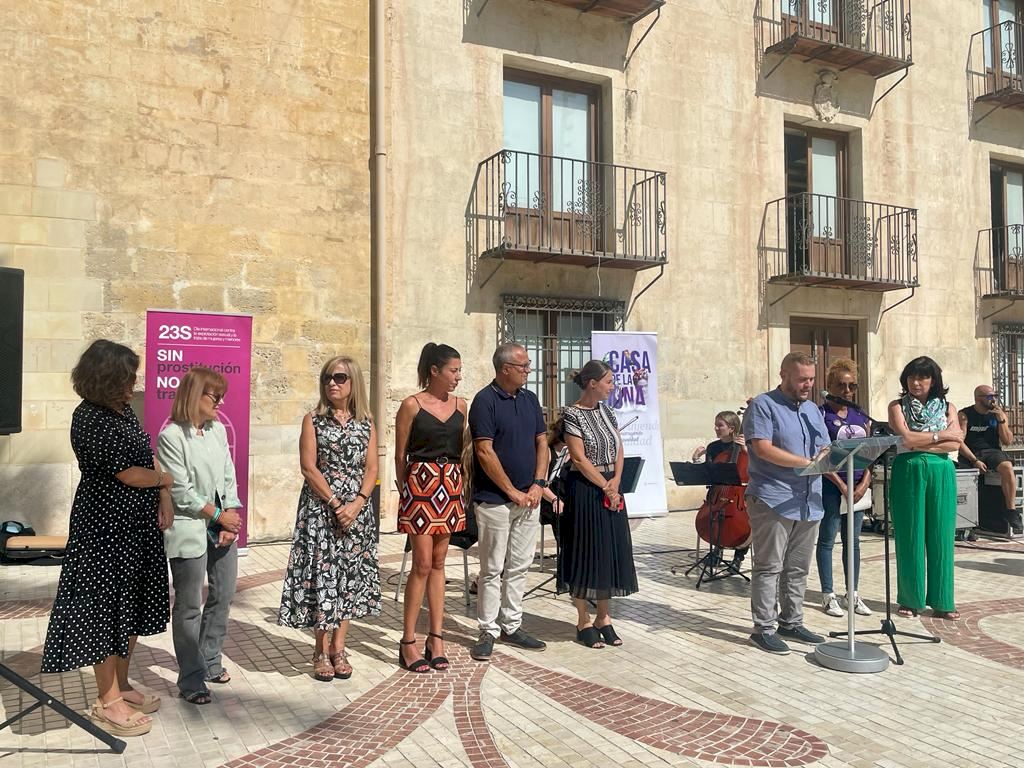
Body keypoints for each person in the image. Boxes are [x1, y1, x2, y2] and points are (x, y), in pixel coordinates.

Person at [41, 340, 173, 737]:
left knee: (130, 605)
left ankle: (123, 684)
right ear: (108, 377)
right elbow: (128, 473)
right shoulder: (90, 417)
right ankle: (107, 699)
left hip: (136, 527)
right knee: (106, 610)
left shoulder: (121, 411)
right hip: (105, 530)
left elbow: (146, 455)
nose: (134, 384)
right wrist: (166, 481)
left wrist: (163, 493)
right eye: (128, 377)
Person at [279, 355, 381, 681]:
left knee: (348, 577)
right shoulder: (313, 420)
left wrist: (358, 503)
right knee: (322, 576)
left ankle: (340, 647)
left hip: (357, 513)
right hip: (321, 510)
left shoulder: (366, 422)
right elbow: (308, 467)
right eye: (327, 378)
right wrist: (337, 504)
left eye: (339, 378)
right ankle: (320, 650)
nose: (332, 384)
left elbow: (372, 468)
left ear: (353, 383)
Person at [157, 368, 243, 704]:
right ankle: (191, 678)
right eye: (215, 396)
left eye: (222, 396)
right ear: (195, 395)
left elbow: (228, 475)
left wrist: (229, 517)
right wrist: (219, 516)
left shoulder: (217, 430)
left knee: (224, 593)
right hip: (189, 528)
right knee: (189, 605)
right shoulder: (171, 437)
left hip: (220, 524)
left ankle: (210, 660)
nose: (220, 402)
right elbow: (180, 490)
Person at [742, 351, 829, 655]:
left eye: (812, 379)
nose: (809, 385)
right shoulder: (763, 406)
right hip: (773, 497)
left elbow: (824, 447)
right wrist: (806, 463)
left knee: (798, 568)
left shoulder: (813, 410)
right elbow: (762, 448)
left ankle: (791, 621)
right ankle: (763, 629)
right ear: (784, 375)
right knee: (769, 567)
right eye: (802, 379)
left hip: (809, 500)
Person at [469, 343, 548, 661]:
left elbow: (542, 442)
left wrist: (538, 484)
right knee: (491, 569)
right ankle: (487, 630)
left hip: (529, 498)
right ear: (505, 368)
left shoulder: (530, 399)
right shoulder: (484, 401)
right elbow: (484, 451)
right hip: (494, 501)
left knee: (519, 566)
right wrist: (511, 491)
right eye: (523, 365)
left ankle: (511, 625)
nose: (529, 369)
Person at [394, 343, 466, 672]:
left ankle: (436, 638)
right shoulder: (411, 405)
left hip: (450, 485)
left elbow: (464, 451)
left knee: (439, 563)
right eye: (453, 370)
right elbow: (400, 455)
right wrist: (407, 492)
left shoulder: (461, 405)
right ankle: (408, 641)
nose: (458, 377)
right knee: (421, 564)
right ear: (435, 371)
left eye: (459, 370)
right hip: (419, 486)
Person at [558, 360, 639, 648]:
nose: (612, 386)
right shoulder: (572, 414)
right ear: (592, 383)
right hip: (585, 489)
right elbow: (579, 458)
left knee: (608, 549)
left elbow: (619, 448)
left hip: (611, 485)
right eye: (608, 381)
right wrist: (606, 486)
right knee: (585, 549)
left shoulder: (607, 411)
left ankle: (604, 617)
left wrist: (616, 480)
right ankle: (583, 619)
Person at [888, 356, 963, 620]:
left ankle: (943, 600)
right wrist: (940, 436)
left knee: (942, 535)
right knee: (910, 534)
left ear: (934, 380)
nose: (916, 382)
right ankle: (911, 599)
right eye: (911, 377)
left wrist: (923, 441)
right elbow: (906, 439)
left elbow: (955, 444)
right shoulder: (897, 406)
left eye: (922, 377)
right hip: (908, 471)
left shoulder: (948, 407)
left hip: (942, 471)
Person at [816, 358, 873, 618]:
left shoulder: (860, 415)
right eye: (841, 385)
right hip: (832, 485)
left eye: (852, 386)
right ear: (830, 386)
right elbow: (820, 455)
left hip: (857, 485)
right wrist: (842, 486)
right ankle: (828, 594)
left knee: (853, 542)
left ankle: (853, 593)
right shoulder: (821, 414)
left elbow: (870, 452)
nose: (847, 391)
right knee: (828, 539)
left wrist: (864, 483)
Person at [957, 385, 1023, 534]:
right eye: (989, 396)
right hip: (971, 452)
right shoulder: (965, 414)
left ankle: (1011, 511)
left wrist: (1001, 421)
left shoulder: (998, 414)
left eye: (995, 396)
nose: (993, 399)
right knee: (967, 481)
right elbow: (959, 442)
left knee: (1007, 466)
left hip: (992, 451)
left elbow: (1007, 441)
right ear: (978, 399)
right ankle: (968, 523)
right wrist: (974, 460)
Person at [692, 411, 749, 569]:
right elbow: (708, 473)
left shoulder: (745, 446)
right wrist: (696, 460)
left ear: (732, 428)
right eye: (715, 425)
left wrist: (746, 450)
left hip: (740, 494)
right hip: (718, 493)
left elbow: (756, 468)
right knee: (715, 517)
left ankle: (738, 557)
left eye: (720, 425)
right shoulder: (713, 447)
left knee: (744, 522)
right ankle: (716, 551)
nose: (716, 428)